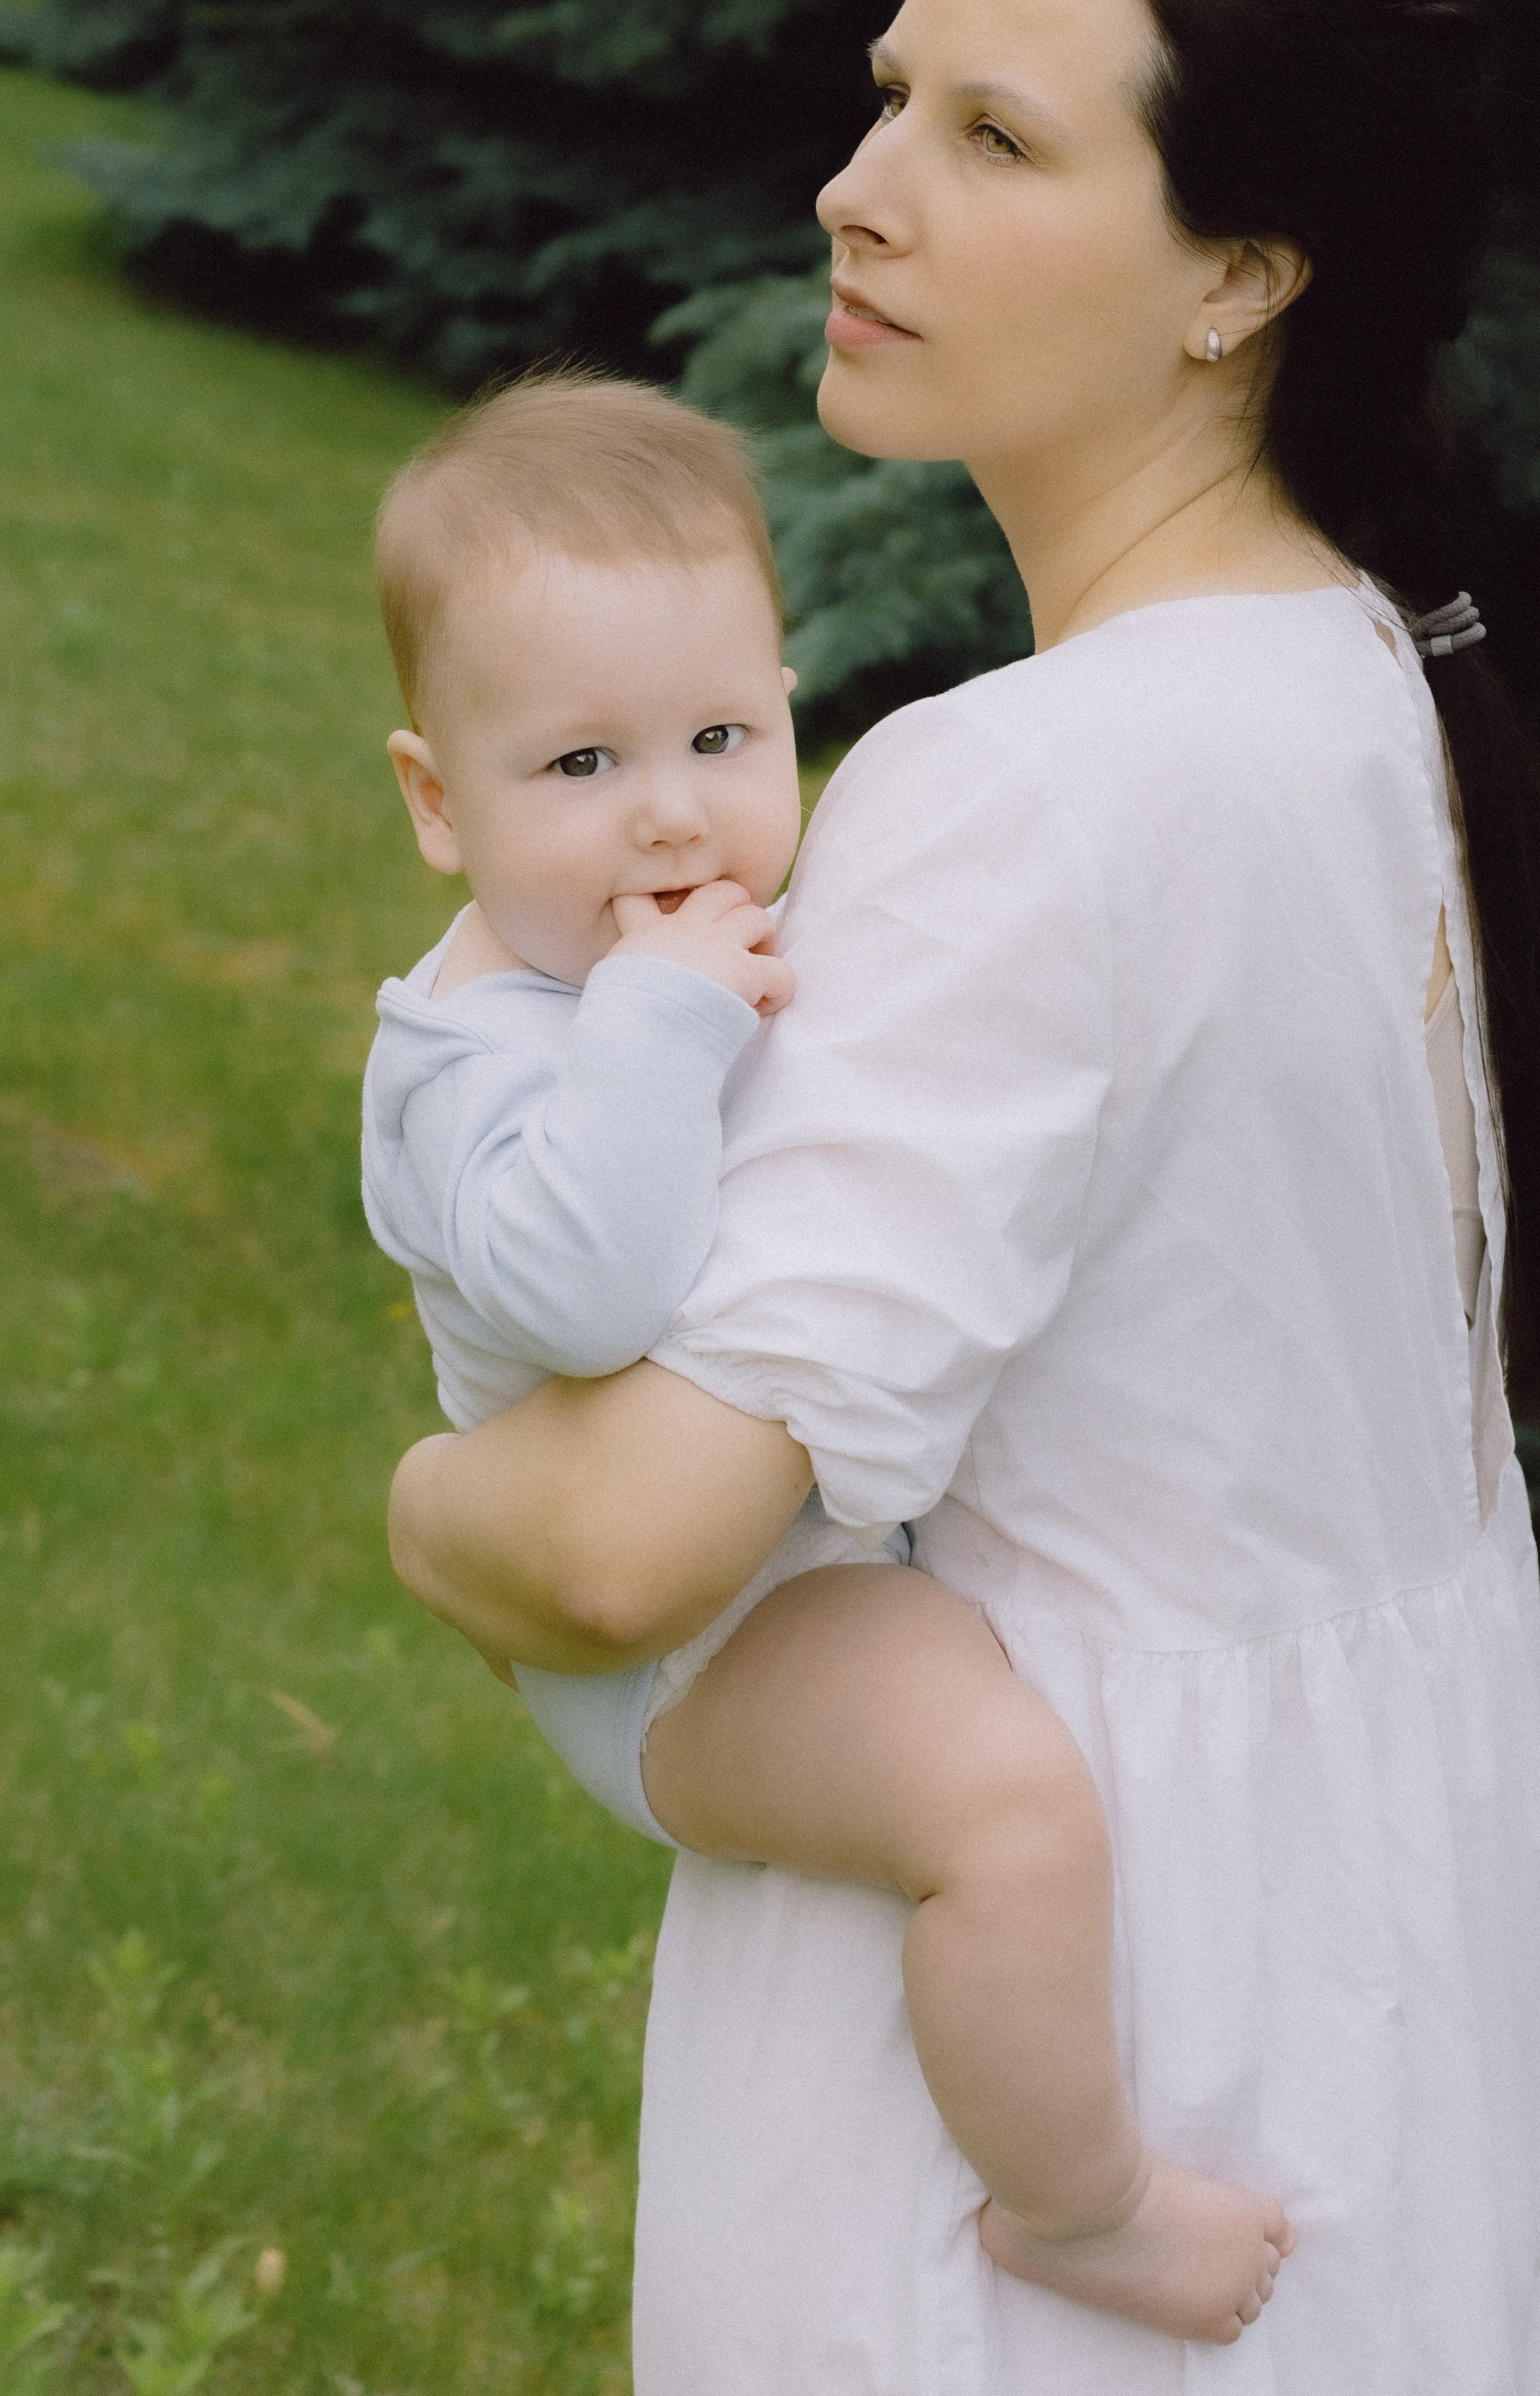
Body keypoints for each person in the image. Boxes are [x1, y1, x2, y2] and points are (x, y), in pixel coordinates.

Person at [387, 0, 1540, 2381]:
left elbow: (624, 1551)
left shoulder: (1034, 787)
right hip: (1367, 1929)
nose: (859, 183)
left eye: (994, 134)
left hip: (1084, 2014)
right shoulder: (1352, 670)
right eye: (894, 90)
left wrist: (422, 1506)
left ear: (1237, 273)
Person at [362, 371, 1290, 2345]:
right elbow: (591, 1290)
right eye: (580, 765)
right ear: (439, 805)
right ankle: (1082, 2202)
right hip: (671, 1651)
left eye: (719, 733)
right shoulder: (476, 1061)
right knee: (999, 1804)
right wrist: (662, 1023)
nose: (674, 809)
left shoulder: (675, 937)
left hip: (762, 1565)